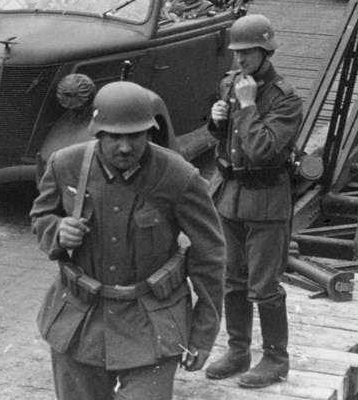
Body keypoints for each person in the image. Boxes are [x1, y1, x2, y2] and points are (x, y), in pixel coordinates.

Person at [31, 81, 226, 400]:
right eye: (114, 137)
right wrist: (57, 231)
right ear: (97, 133)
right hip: (81, 322)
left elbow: (210, 256)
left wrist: (203, 335)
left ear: (149, 132)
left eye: (134, 136)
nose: (124, 147)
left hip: (153, 323)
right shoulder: (65, 164)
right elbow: (41, 217)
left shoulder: (179, 176)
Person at [204, 14, 304, 388]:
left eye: (248, 53)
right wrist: (216, 121)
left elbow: (263, 150)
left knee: (264, 285)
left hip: (265, 199)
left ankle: (276, 358)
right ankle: (238, 349)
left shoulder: (285, 98)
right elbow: (226, 141)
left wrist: (247, 108)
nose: (240, 61)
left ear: (266, 51)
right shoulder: (231, 83)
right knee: (232, 279)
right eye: (236, 53)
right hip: (230, 195)